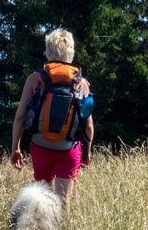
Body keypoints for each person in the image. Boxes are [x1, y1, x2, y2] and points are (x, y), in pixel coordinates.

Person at [10, 28, 93, 210]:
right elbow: (88, 126)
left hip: (41, 147)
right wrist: (86, 153)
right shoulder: (82, 84)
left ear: (48, 51)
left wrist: (16, 148)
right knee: (64, 202)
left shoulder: (34, 79)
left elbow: (20, 117)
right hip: (69, 149)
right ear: (70, 52)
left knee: (43, 199)